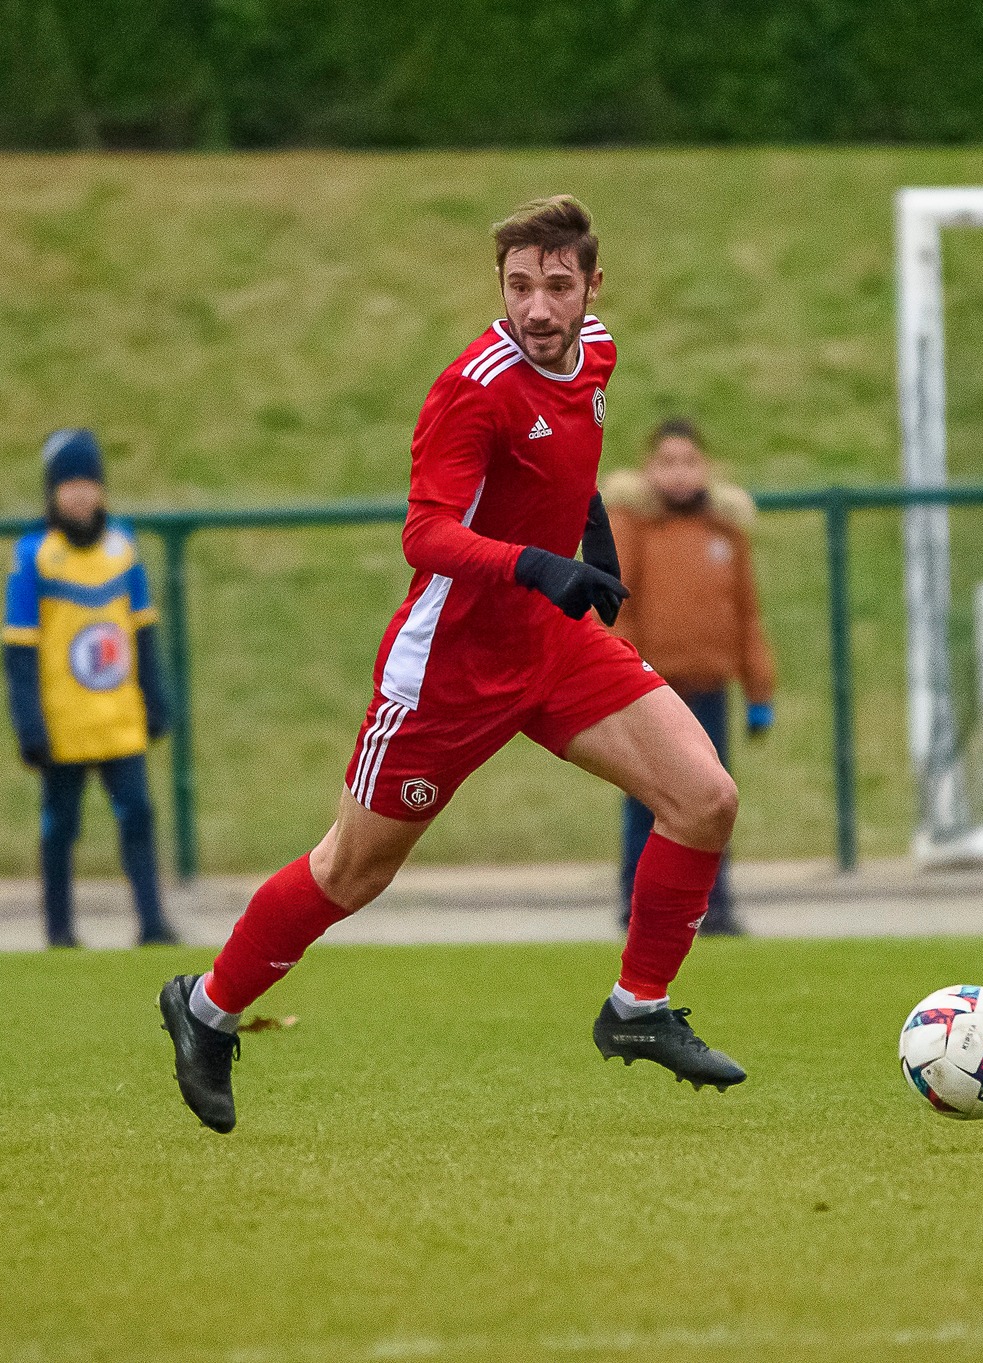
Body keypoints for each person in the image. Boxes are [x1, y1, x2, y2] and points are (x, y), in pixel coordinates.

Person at [157, 195, 747, 1135]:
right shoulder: (472, 389)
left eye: (558, 285)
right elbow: (424, 534)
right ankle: (206, 1011)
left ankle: (637, 1008)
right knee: (351, 870)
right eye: (520, 287)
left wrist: (587, 532)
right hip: (450, 671)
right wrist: (534, 562)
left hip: (555, 645)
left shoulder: (597, 349)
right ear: (500, 287)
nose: (539, 308)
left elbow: (570, 454)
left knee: (704, 798)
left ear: (592, 285)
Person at [1, 428, 178, 948]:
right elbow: (19, 651)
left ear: (101, 488)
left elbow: (143, 632)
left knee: (139, 819)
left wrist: (155, 699)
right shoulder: (34, 556)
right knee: (60, 829)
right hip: (64, 724)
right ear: (53, 492)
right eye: (68, 485)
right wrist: (29, 724)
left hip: (118, 718)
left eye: (88, 483)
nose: (79, 494)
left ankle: (152, 923)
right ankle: (59, 931)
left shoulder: (123, 550)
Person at [603, 419, 775, 936]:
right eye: (667, 461)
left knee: (713, 799)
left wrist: (758, 690)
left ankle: (712, 905)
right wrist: (627, 675)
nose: (679, 473)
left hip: (709, 691)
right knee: (648, 798)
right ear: (649, 468)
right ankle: (638, 904)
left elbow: (746, 614)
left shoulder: (725, 530)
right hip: (652, 692)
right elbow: (616, 606)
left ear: (706, 467)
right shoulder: (631, 526)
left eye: (689, 461)